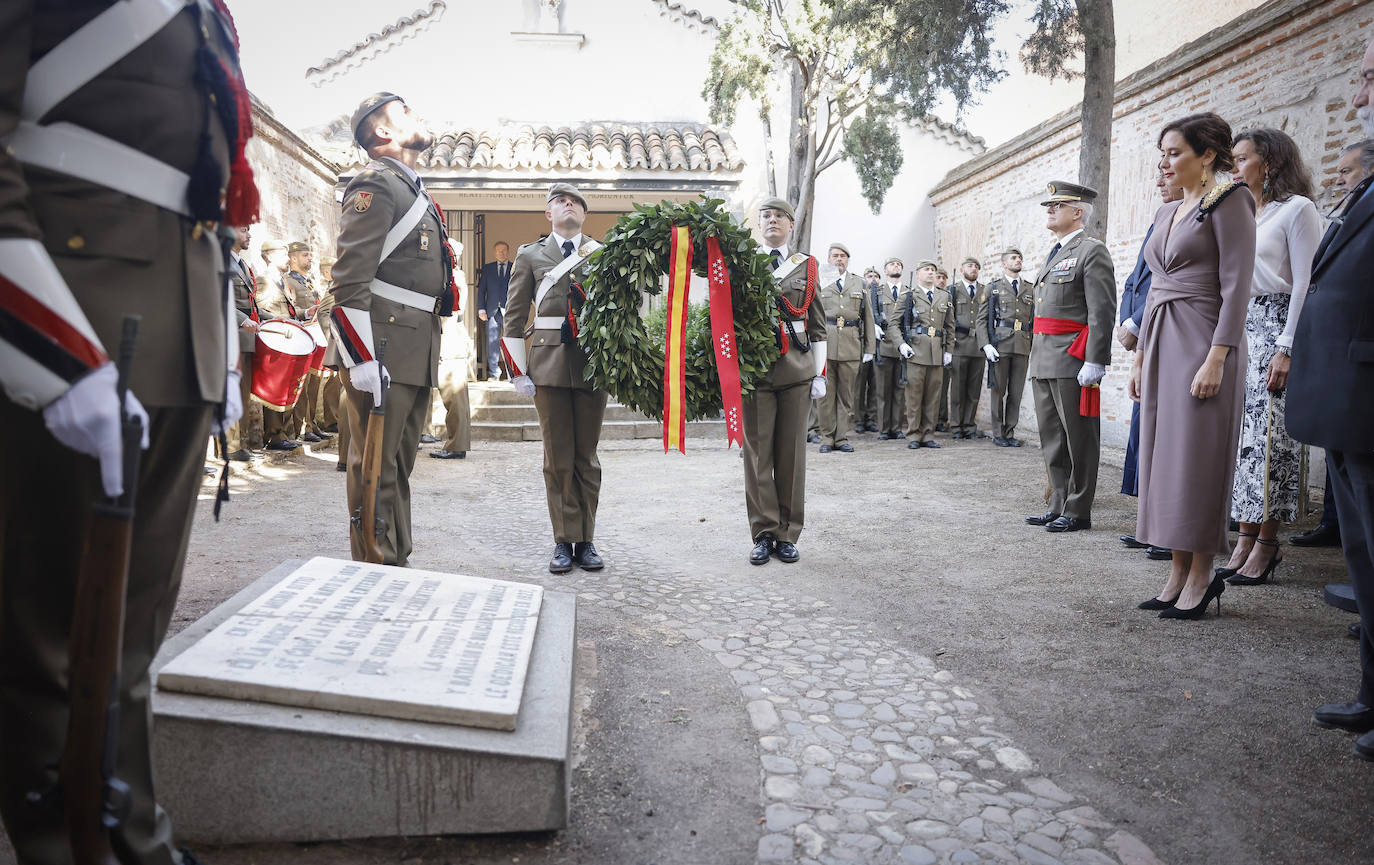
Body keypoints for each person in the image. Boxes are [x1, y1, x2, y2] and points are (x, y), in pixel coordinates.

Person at [0, 3, 253, 862]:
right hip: (71, 315)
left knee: (130, 631)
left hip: (174, 331)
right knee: (48, 635)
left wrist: (217, 348)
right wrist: (52, 353)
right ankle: (61, 842)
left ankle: (134, 832)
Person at [1131, 112, 1256, 619]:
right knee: (1165, 460)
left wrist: (1218, 358)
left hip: (1206, 343)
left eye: (1174, 152)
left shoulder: (1230, 201)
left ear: (1206, 156)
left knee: (1197, 460)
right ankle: (1176, 572)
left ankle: (1202, 575)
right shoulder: (1166, 214)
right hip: (1162, 342)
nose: (1165, 162)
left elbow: (1237, 286)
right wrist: (1139, 357)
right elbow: (1154, 287)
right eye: (1162, 153)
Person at [1288, 36, 1374, 759]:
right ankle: (1372, 696)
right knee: (1365, 558)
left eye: (1371, 77)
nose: (1359, 94)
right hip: (1350, 405)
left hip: (1368, 398)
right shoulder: (1363, 197)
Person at [330, 92, 452, 567]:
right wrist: (360, 357)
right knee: (376, 467)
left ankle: (395, 560)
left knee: (397, 466)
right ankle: (375, 568)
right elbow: (349, 280)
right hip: (379, 346)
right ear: (382, 131)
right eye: (405, 111)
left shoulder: (412, 190)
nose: (417, 115)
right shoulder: (376, 186)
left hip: (410, 346)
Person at [1215, 128, 1321, 586]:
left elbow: (1304, 282)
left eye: (1241, 159)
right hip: (1239, 327)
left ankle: (1267, 544)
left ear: (1269, 162)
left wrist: (1287, 346)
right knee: (1241, 440)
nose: (1234, 168)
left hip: (1276, 326)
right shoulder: (1239, 213)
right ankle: (1243, 538)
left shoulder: (1297, 209)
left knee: (1270, 440)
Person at [503, 184, 609, 574]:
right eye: (561, 201)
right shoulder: (530, 255)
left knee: (587, 457)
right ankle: (564, 540)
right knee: (557, 457)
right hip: (547, 365)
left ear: (584, 214)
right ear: (548, 213)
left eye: (576, 202)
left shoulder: (602, 254)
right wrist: (518, 371)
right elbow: (513, 317)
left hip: (591, 365)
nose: (569, 205)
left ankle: (588, 540)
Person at [1292, 139, 1374, 548]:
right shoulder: (1350, 209)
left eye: (1347, 170)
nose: (1338, 178)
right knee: (1343, 469)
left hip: (1358, 358)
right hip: (1334, 358)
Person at [1025, 182, 1116, 533]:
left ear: (1077, 211)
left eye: (1057, 205)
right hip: (1044, 355)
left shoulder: (1091, 251)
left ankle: (1078, 509)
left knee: (1079, 437)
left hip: (1072, 357)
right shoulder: (1056, 253)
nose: (1050, 210)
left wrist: (1096, 360)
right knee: (1051, 436)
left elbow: (1102, 309)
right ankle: (1057, 501)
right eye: (1049, 205)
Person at [745, 198, 827, 565]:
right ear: (758, 224)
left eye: (779, 216)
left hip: (796, 369)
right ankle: (764, 532)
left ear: (791, 225)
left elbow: (818, 324)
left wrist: (819, 373)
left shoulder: (807, 266)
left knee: (792, 455)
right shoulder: (744, 263)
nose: (772, 220)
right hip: (756, 371)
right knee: (758, 455)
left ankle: (788, 533)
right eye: (766, 216)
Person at [1118, 173, 1182, 562]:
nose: (1159, 178)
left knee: (1168, 434)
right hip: (1147, 333)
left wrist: (1136, 323)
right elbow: (1134, 281)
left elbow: (1167, 280)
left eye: (1170, 168)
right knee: (1145, 429)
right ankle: (1151, 522)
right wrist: (1128, 320)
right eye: (1156, 171)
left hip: (1168, 328)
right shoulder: (1161, 217)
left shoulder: (1192, 218)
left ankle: (1169, 529)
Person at [816, 242, 874, 453]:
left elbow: (867, 316)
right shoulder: (820, 281)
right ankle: (826, 437)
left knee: (846, 395)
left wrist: (869, 348)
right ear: (828, 259)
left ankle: (841, 437)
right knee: (825, 395)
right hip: (826, 343)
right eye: (835, 256)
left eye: (843, 256)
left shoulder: (859, 283)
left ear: (848, 260)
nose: (839, 259)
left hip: (851, 343)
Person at [892, 260, 953, 448]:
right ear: (917, 274)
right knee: (914, 397)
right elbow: (894, 324)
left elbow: (950, 326)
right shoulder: (908, 295)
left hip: (936, 353)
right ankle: (913, 434)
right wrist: (901, 344)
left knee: (933, 397)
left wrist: (949, 350)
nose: (930, 273)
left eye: (933, 270)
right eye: (926, 270)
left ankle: (928, 434)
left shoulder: (944, 296)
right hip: (915, 352)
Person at [981, 249, 1033, 447]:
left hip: (1022, 343)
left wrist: (1033, 345)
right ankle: (997, 433)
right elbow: (982, 319)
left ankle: (1010, 432)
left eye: (1020, 257)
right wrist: (986, 344)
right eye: (1013, 258)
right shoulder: (993, 288)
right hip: (1000, 344)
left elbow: (1034, 319)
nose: (1018, 260)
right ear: (1004, 263)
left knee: (1016, 391)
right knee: (998, 390)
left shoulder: (1029, 288)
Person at [255, 238, 303, 451]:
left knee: (287, 387)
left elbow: (290, 311)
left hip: (289, 338)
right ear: (270, 257)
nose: (287, 258)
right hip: (275, 338)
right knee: (275, 388)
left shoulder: (283, 281)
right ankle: (273, 436)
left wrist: (304, 314)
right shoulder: (264, 280)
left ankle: (282, 432)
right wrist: (282, 322)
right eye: (283, 254)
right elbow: (261, 310)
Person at [285, 241, 331, 444]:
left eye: (310, 255)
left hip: (315, 338)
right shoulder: (288, 281)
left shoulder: (307, 281)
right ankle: (301, 426)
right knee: (302, 386)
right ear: (293, 258)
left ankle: (312, 423)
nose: (310, 258)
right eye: (305, 255)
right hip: (301, 338)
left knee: (314, 383)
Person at [225, 224, 262, 461]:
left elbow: (251, 304)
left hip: (247, 337)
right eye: (243, 230)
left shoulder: (242, 265)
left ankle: (243, 442)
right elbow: (220, 296)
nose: (249, 235)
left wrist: (274, 318)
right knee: (232, 389)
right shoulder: (221, 260)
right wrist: (242, 320)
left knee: (243, 390)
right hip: (232, 334)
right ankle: (231, 445)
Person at [433, 240, 472, 460]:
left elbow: (448, 314)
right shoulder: (455, 276)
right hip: (449, 339)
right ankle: (456, 443)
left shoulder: (453, 277)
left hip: (448, 341)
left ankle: (456, 444)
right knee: (456, 398)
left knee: (454, 397)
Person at [948, 257, 989, 439]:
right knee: (957, 389)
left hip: (978, 345)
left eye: (976, 267)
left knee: (974, 389)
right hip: (959, 343)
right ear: (962, 268)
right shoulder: (953, 290)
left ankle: (969, 425)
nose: (973, 269)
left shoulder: (984, 290)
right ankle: (956, 426)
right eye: (970, 266)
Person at [874, 257, 909, 440]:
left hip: (903, 344)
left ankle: (896, 427)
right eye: (892, 264)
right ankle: (884, 428)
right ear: (885, 270)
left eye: (899, 264)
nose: (896, 266)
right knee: (883, 390)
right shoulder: (877, 292)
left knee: (899, 389)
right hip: (885, 345)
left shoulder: (909, 292)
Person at [852, 266, 882, 433]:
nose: (873, 279)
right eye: (870, 276)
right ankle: (858, 420)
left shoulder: (882, 296)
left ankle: (871, 418)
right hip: (862, 344)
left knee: (875, 385)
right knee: (859, 386)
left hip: (879, 346)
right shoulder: (860, 294)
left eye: (876, 276)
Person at [477, 240, 512, 379]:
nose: (501, 253)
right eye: (498, 251)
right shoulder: (488, 268)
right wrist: (481, 309)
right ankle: (494, 372)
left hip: (509, 311)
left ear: (508, 252)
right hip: (491, 311)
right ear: (494, 253)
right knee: (492, 342)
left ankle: (512, 373)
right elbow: (481, 291)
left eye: (504, 250)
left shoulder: (514, 267)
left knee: (511, 342)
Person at [934, 266, 953, 433]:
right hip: (928, 346)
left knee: (943, 385)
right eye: (938, 277)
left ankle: (941, 418)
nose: (941, 280)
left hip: (944, 345)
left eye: (943, 278)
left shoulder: (949, 297)